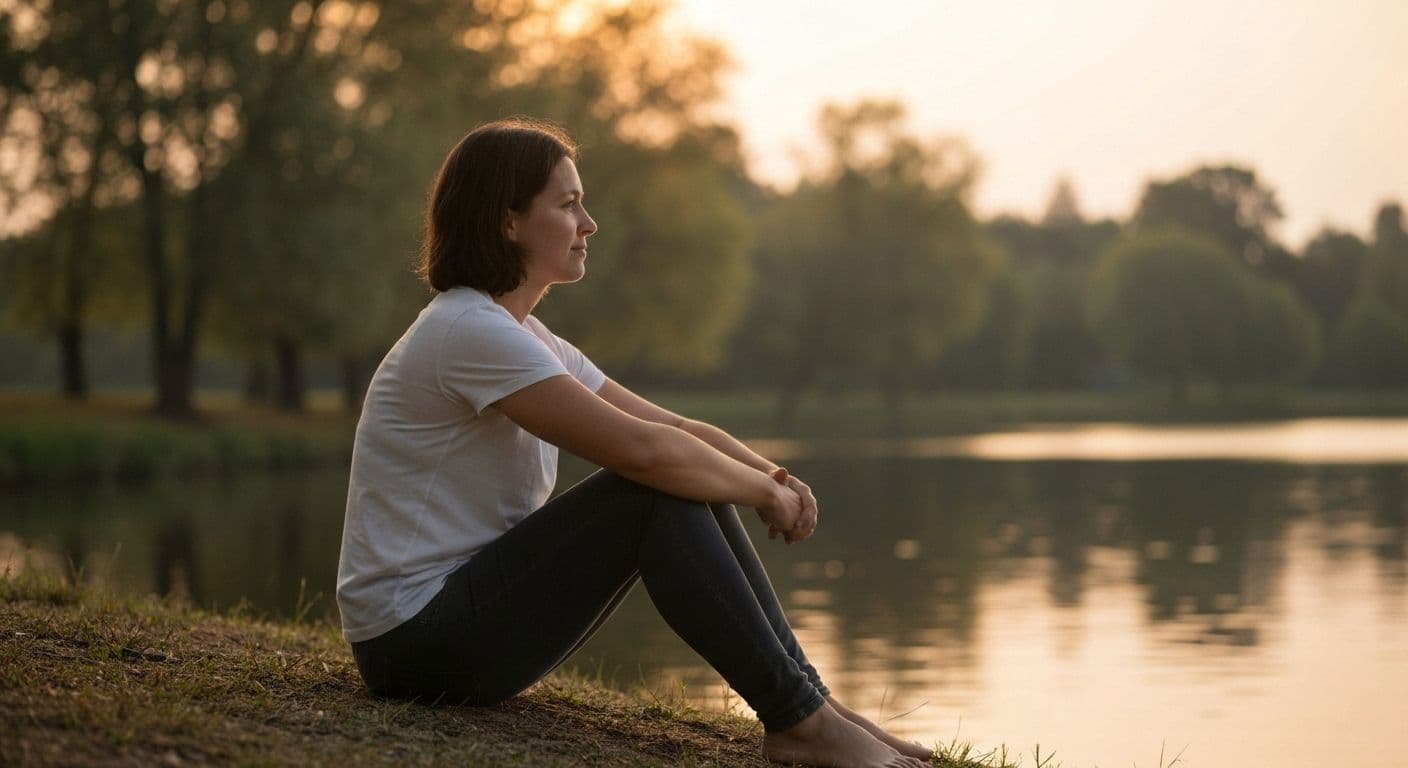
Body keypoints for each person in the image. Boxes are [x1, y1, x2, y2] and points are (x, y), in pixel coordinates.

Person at [336, 118, 933, 768]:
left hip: (452, 626)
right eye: (568, 205)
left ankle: (813, 707)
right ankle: (802, 723)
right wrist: (761, 492)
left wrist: (775, 477)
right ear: (508, 222)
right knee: (651, 491)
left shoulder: (523, 335)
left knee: (679, 477)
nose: (588, 223)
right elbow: (645, 454)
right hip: (416, 644)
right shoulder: (467, 332)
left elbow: (672, 429)